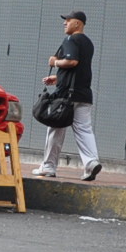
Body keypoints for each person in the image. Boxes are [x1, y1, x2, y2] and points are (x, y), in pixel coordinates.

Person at [33, 9, 101, 181]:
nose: (65, 23)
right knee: (84, 130)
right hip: (84, 94)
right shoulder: (88, 43)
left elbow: (71, 62)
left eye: (68, 20)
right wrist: (57, 78)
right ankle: (91, 163)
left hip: (65, 97)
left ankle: (48, 166)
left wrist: (54, 62)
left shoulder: (71, 39)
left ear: (77, 23)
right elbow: (79, 69)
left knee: (55, 129)